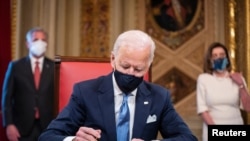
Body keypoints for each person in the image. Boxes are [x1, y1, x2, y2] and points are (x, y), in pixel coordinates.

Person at [38, 30, 197, 141]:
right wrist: (74, 140)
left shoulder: (159, 97)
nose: (130, 73)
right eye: (125, 66)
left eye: (138, 69)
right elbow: (47, 137)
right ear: (113, 59)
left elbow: (188, 138)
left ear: (148, 67)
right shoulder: (85, 92)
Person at [1, 27, 55, 141]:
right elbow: (6, 98)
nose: (40, 43)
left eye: (43, 40)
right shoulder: (16, 66)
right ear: (27, 44)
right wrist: (9, 124)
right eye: (35, 40)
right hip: (21, 128)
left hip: (48, 127)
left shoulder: (54, 67)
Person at [196, 42, 250, 141]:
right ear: (210, 60)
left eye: (222, 55)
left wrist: (241, 85)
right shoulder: (203, 79)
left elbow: (248, 107)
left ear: (227, 58)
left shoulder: (238, 78)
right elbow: (203, 110)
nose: (219, 58)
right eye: (215, 56)